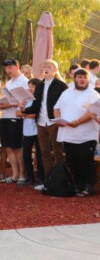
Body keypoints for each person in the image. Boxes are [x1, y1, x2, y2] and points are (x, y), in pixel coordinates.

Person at [53, 69, 100, 196]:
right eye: (79, 77)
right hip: (68, 134)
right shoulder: (66, 92)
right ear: (74, 78)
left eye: (85, 77)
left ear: (88, 79)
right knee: (72, 161)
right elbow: (56, 107)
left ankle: (88, 186)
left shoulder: (93, 94)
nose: (82, 80)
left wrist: (78, 122)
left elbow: (93, 112)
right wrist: (58, 119)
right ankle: (78, 185)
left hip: (86, 135)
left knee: (86, 161)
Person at [22, 59, 67, 189]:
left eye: (49, 66)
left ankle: (60, 181)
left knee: (57, 152)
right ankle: (48, 181)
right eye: (44, 66)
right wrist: (24, 109)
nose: (46, 68)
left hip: (53, 122)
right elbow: (36, 105)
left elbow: (65, 104)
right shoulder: (40, 85)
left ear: (55, 70)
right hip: (41, 122)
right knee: (44, 153)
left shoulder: (61, 85)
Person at [0, 59, 29, 183]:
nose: (8, 70)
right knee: (7, 147)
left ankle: (23, 174)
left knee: (17, 147)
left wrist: (10, 104)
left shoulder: (25, 82)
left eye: (10, 67)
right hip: (5, 116)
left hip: (16, 118)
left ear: (17, 66)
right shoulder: (9, 83)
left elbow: (27, 101)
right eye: (6, 68)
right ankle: (14, 174)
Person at [18, 78, 43, 187]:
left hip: (38, 130)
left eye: (32, 86)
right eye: (29, 86)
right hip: (27, 130)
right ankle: (30, 177)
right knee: (26, 154)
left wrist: (26, 114)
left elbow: (37, 115)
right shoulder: (26, 99)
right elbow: (18, 113)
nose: (30, 88)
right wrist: (25, 113)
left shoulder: (38, 99)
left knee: (39, 154)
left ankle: (40, 178)